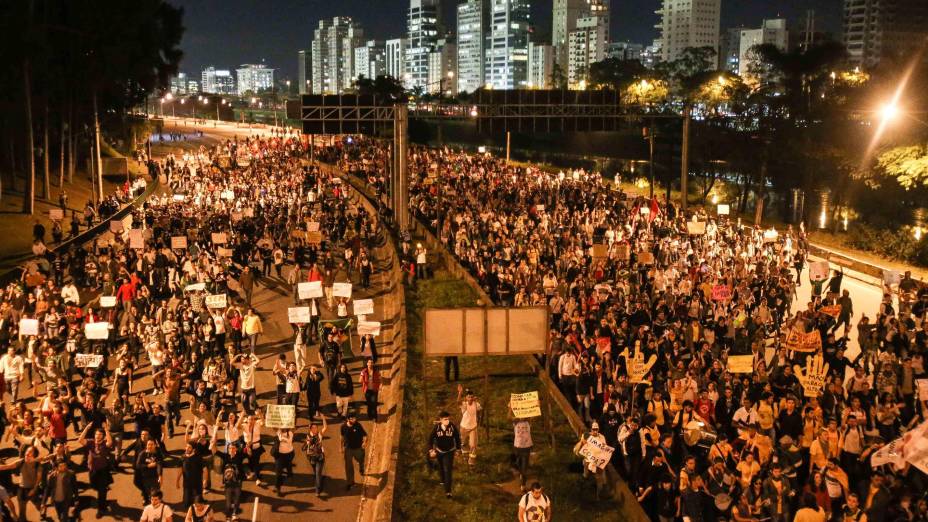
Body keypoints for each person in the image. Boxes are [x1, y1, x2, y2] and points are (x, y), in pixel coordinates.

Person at [428, 410, 461, 498]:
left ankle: (448, 491)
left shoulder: (452, 427)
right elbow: (430, 439)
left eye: (448, 419)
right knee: (441, 467)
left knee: (448, 470)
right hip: (439, 451)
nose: (447, 421)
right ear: (441, 420)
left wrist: (458, 449)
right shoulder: (437, 428)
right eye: (445, 419)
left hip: (449, 451)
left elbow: (457, 438)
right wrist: (431, 450)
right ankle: (442, 480)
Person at [41, 458, 76, 522]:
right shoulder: (51, 476)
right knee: (59, 515)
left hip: (66, 499)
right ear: (56, 468)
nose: (63, 467)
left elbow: (74, 487)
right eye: (61, 466)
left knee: (64, 517)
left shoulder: (71, 474)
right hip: (56, 500)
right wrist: (43, 502)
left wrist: (76, 498)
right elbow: (47, 489)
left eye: (64, 465)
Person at [341, 412, 367, 490]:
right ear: (348, 419)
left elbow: (365, 435)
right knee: (348, 466)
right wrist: (341, 446)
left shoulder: (358, 425)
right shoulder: (343, 427)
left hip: (358, 448)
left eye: (355, 418)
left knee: (360, 459)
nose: (354, 420)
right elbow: (341, 437)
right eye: (352, 418)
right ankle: (350, 482)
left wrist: (364, 442)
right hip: (348, 449)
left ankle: (361, 467)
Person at [303, 415, 327, 496]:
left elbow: (325, 427)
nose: (315, 429)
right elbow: (305, 447)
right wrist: (308, 443)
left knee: (317, 473)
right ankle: (318, 480)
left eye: (316, 428)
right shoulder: (308, 436)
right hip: (311, 457)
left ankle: (317, 490)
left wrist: (323, 418)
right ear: (310, 429)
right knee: (315, 472)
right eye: (313, 428)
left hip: (320, 457)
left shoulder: (320, 434)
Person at [457, 386, 482, 465]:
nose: (470, 398)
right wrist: (460, 393)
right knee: (463, 443)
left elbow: (480, 410)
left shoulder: (476, 404)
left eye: (471, 397)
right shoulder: (464, 404)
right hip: (464, 427)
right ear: (466, 398)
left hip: (473, 428)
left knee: (473, 444)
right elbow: (458, 402)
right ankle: (464, 455)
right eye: (468, 397)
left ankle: (471, 461)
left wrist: (478, 418)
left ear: (473, 397)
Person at [273, 428, 295, 496]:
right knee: (278, 472)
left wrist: (283, 439)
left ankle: (289, 473)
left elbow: (293, 428)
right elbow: (272, 425)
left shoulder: (291, 432)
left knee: (288, 467)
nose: (283, 427)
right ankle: (277, 487)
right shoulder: (279, 431)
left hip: (289, 454)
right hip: (280, 455)